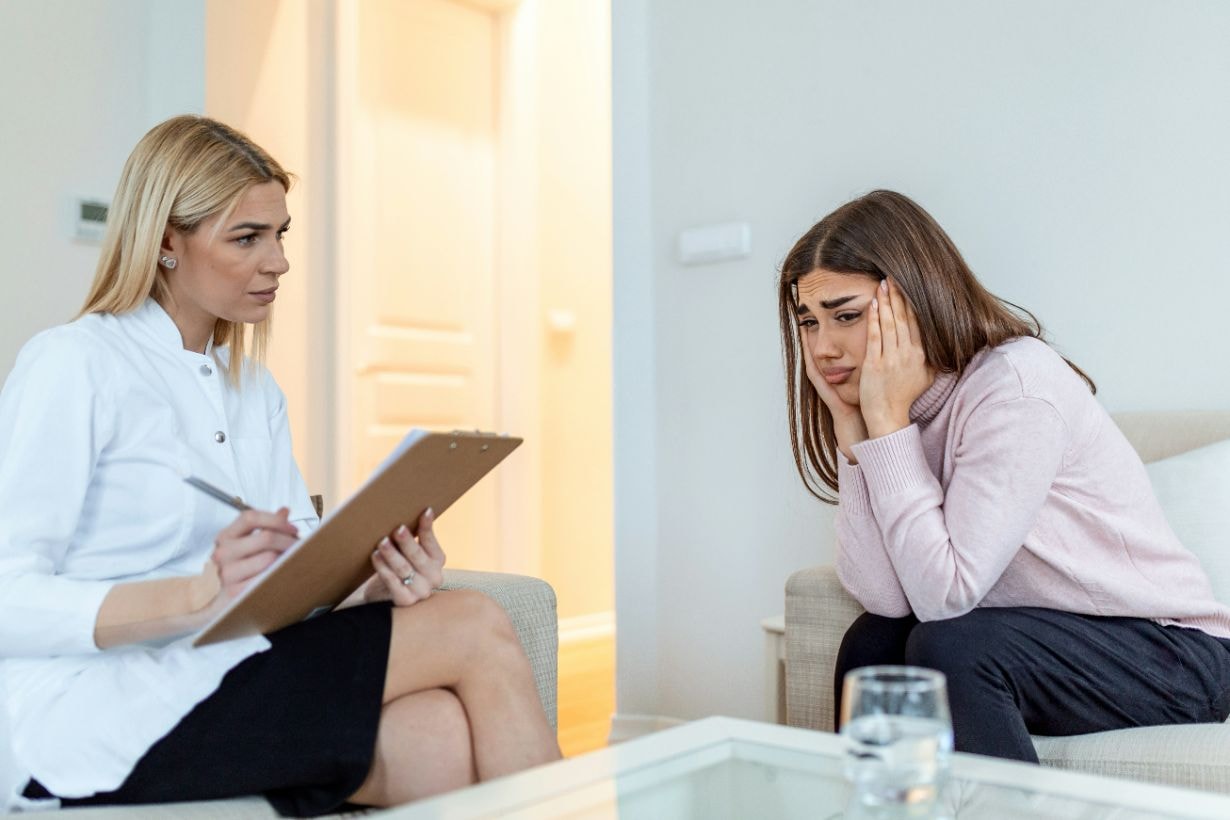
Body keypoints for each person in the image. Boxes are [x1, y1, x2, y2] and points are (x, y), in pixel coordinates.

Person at [0, 115, 560, 816]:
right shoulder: (74, 364)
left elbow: (290, 580)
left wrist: (374, 587)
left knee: (439, 740)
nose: (280, 262)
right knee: (473, 625)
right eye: (248, 237)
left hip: (225, 670)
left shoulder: (251, 388)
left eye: (280, 233)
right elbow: (7, 593)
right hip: (99, 704)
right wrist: (193, 595)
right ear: (168, 242)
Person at [778, 189, 1230, 761]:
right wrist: (856, 438)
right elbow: (890, 598)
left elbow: (945, 596)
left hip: (1172, 652)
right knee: (874, 639)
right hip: (1037, 640)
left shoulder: (1016, 388)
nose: (822, 348)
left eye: (846, 315)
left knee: (952, 644)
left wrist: (888, 428)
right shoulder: (891, 412)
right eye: (809, 322)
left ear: (913, 302)